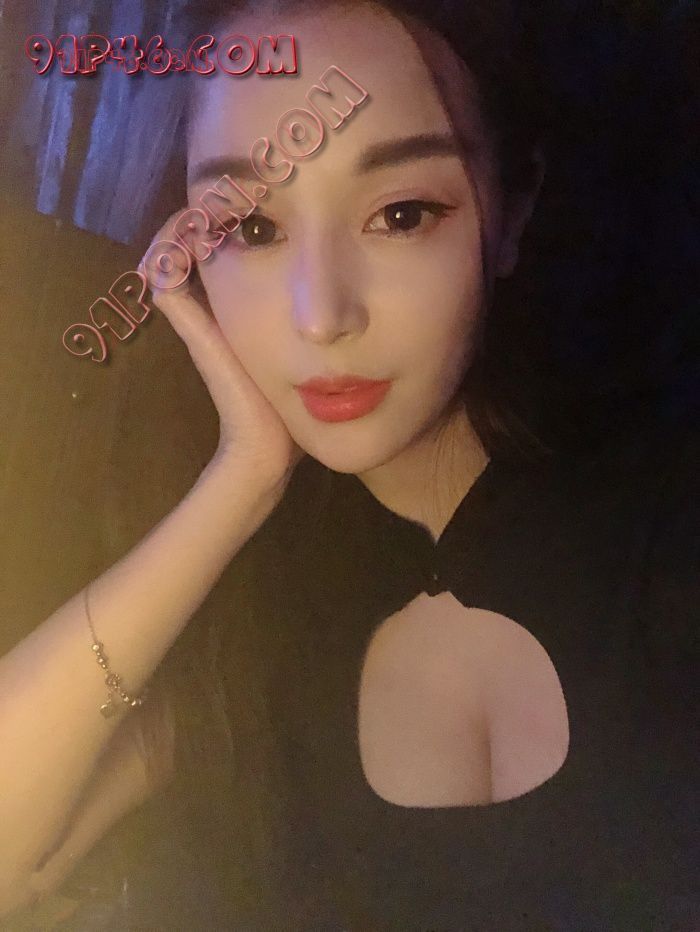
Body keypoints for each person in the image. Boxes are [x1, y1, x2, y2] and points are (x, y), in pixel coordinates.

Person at [1, 0, 697, 928]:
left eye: (401, 215)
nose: (323, 316)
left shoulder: (661, 514)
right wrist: (241, 479)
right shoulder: (243, 630)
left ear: (512, 211)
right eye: (251, 230)